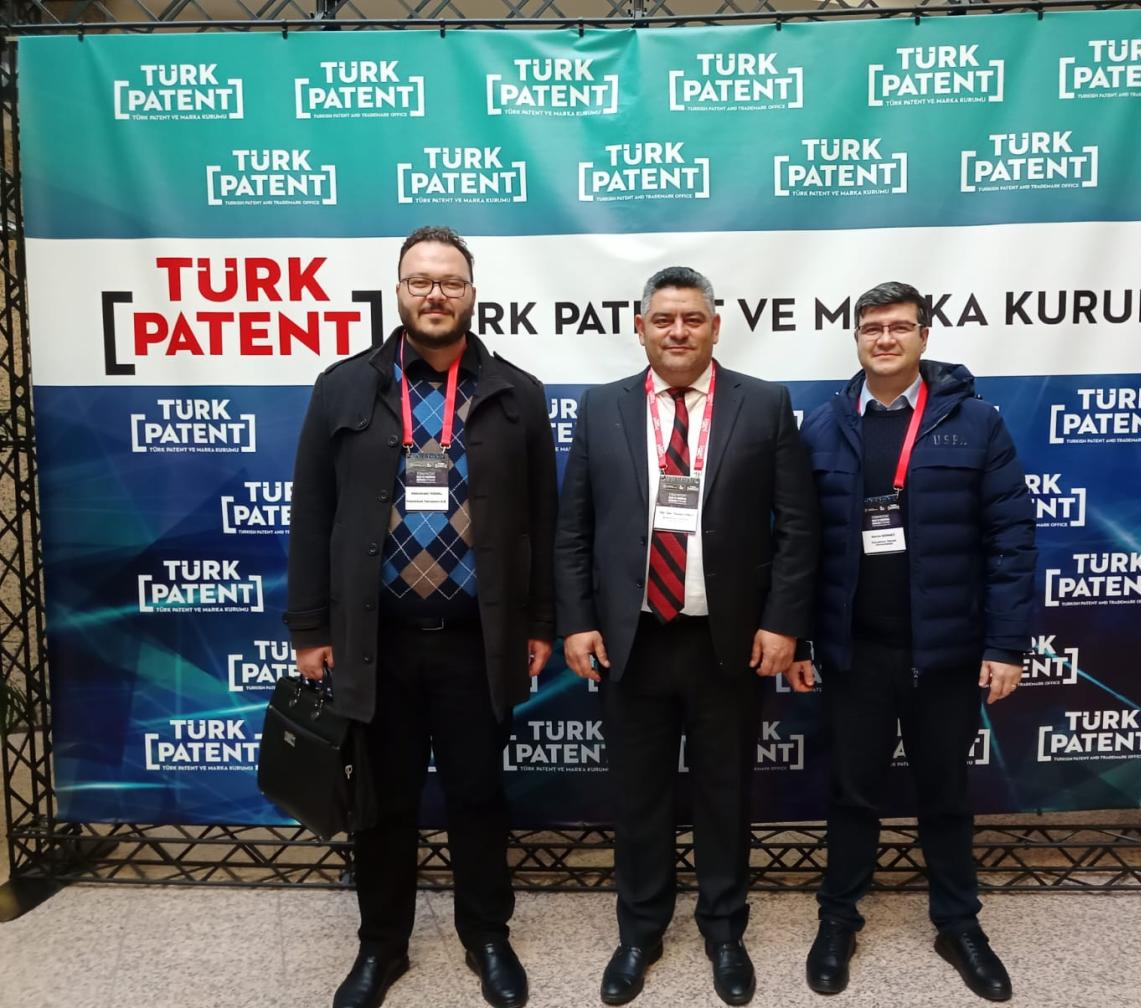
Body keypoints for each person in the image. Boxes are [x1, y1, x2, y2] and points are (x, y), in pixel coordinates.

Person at [283, 225, 557, 1008]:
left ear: (472, 293)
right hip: (377, 644)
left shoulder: (517, 393)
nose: (436, 294)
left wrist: (541, 623)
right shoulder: (343, 387)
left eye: (450, 281)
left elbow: (542, 519)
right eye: (421, 281)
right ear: (399, 291)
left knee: (478, 796)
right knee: (383, 803)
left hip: (478, 641)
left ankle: (487, 937)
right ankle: (381, 946)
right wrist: (310, 629)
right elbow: (313, 515)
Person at [555, 266, 818, 1006]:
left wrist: (784, 623)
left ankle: (725, 931)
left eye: (692, 319)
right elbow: (574, 529)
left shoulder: (764, 404)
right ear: (640, 328)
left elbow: (798, 529)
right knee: (638, 797)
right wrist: (576, 620)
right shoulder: (601, 407)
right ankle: (639, 932)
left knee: (724, 794)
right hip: (631, 640)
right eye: (664, 319)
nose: (678, 331)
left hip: (726, 641)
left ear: (715, 327)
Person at [790, 281, 1035, 1002]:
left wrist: (1006, 645)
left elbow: (1012, 538)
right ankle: (838, 919)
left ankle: (958, 924)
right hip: (855, 652)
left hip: (947, 653)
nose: (885, 339)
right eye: (872, 328)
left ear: (924, 337)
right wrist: (799, 640)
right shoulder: (823, 426)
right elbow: (799, 545)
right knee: (851, 793)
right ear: (856, 339)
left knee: (946, 794)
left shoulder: (975, 423)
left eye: (899, 327)